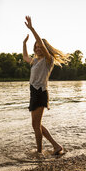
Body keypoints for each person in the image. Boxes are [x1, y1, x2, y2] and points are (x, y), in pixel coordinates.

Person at [22, 16, 69, 156]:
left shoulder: (49, 60)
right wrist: (24, 43)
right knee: (36, 125)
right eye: (36, 47)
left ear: (44, 48)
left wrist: (32, 29)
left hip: (40, 93)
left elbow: (42, 45)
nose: (38, 48)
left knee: (36, 125)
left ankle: (39, 152)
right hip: (33, 93)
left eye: (40, 47)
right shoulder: (35, 61)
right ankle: (55, 146)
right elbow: (25, 57)